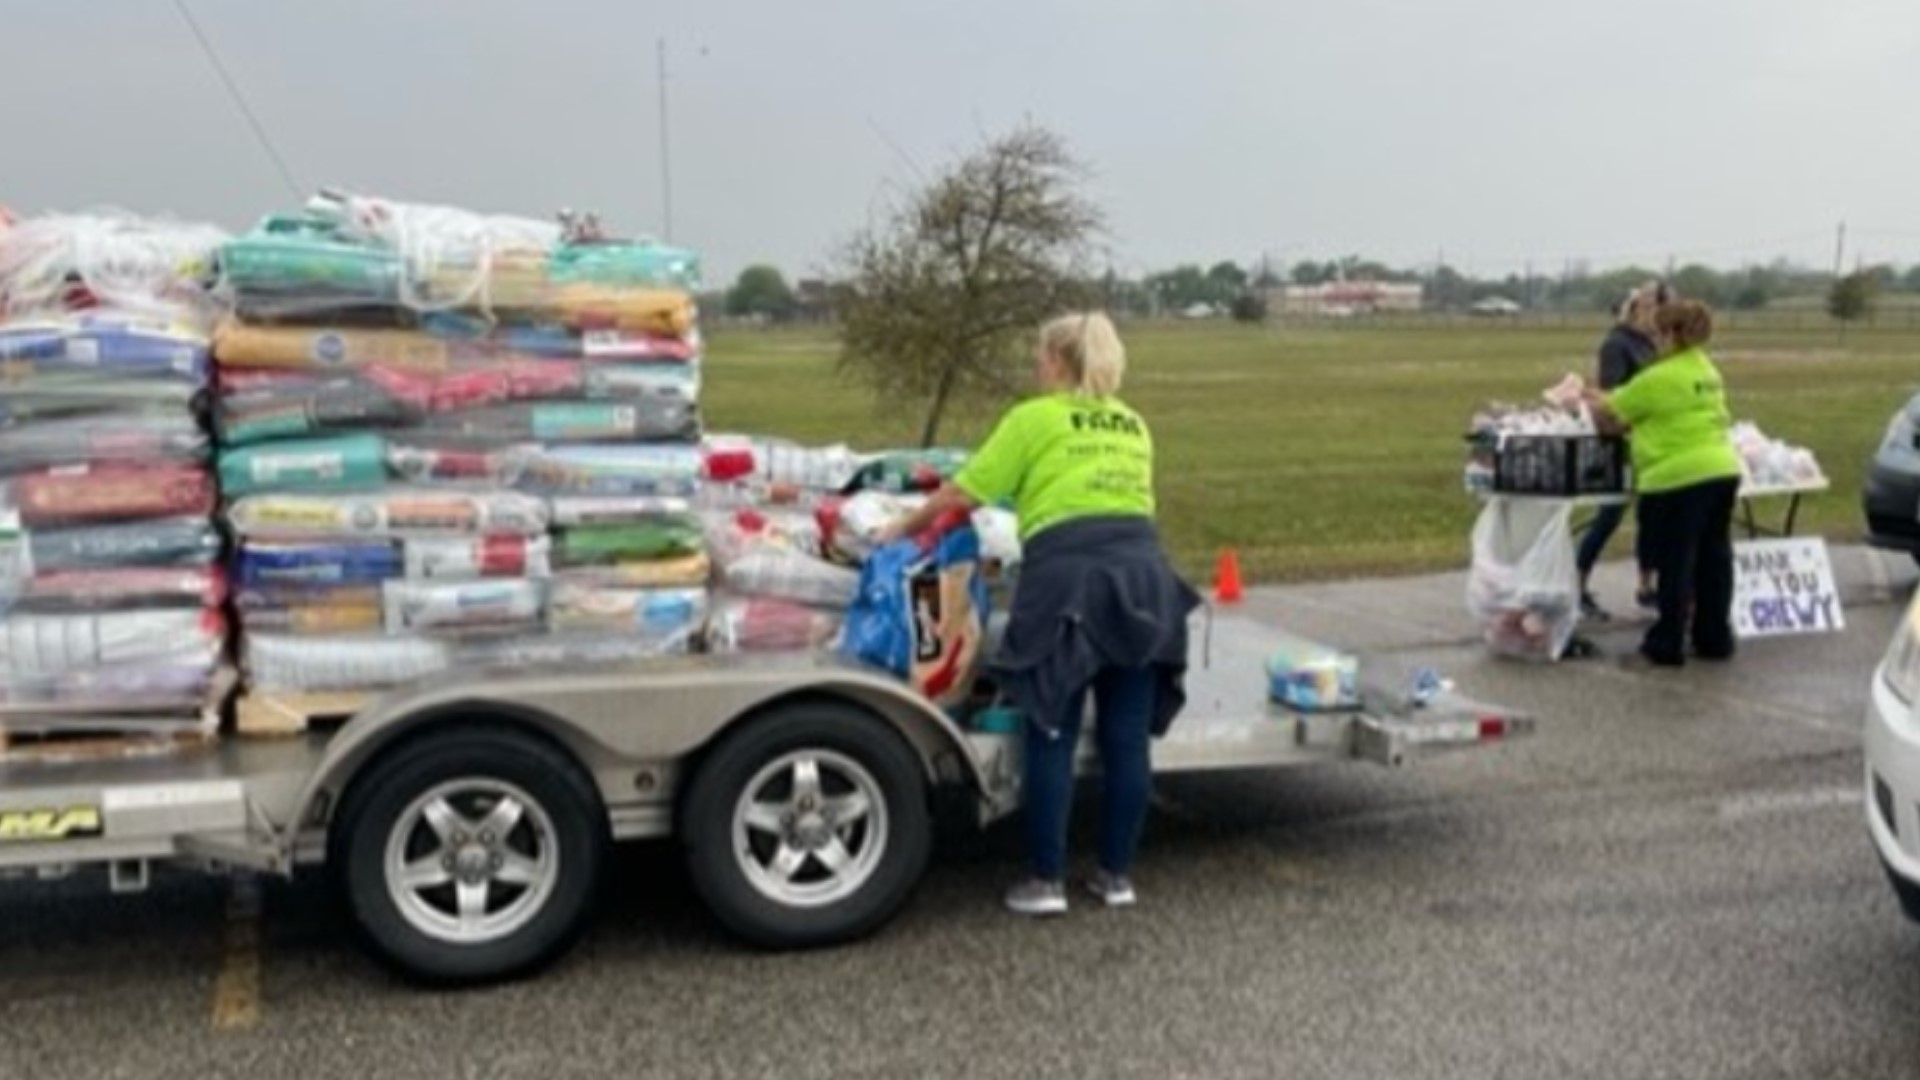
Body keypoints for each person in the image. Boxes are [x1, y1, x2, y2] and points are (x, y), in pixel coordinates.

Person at [878, 311, 1201, 916]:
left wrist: (901, 526)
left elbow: (963, 493)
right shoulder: (1133, 424)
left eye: (1039, 359)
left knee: (1049, 727)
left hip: (1068, 583)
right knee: (1126, 739)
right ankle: (1116, 876)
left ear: (1056, 361)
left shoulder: (1033, 419)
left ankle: (1046, 881)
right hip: (1145, 582)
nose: (1035, 368)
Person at [1582, 299, 1742, 667]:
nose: (1653, 342)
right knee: (1714, 559)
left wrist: (1584, 399)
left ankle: (1667, 640)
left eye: (1657, 334)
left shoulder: (1660, 377)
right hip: (1721, 469)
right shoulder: (1707, 370)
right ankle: (1714, 637)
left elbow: (1613, 410)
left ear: (1671, 334)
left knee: (1677, 561)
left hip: (1676, 476)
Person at [1576, 284, 1665, 621]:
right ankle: (1579, 583)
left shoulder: (1656, 345)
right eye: (1652, 309)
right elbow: (1609, 397)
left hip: (1651, 445)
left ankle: (1646, 585)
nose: (1657, 317)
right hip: (1620, 445)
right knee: (1609, 516)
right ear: (1637, 310)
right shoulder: (1617, 345)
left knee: (1651, 516)